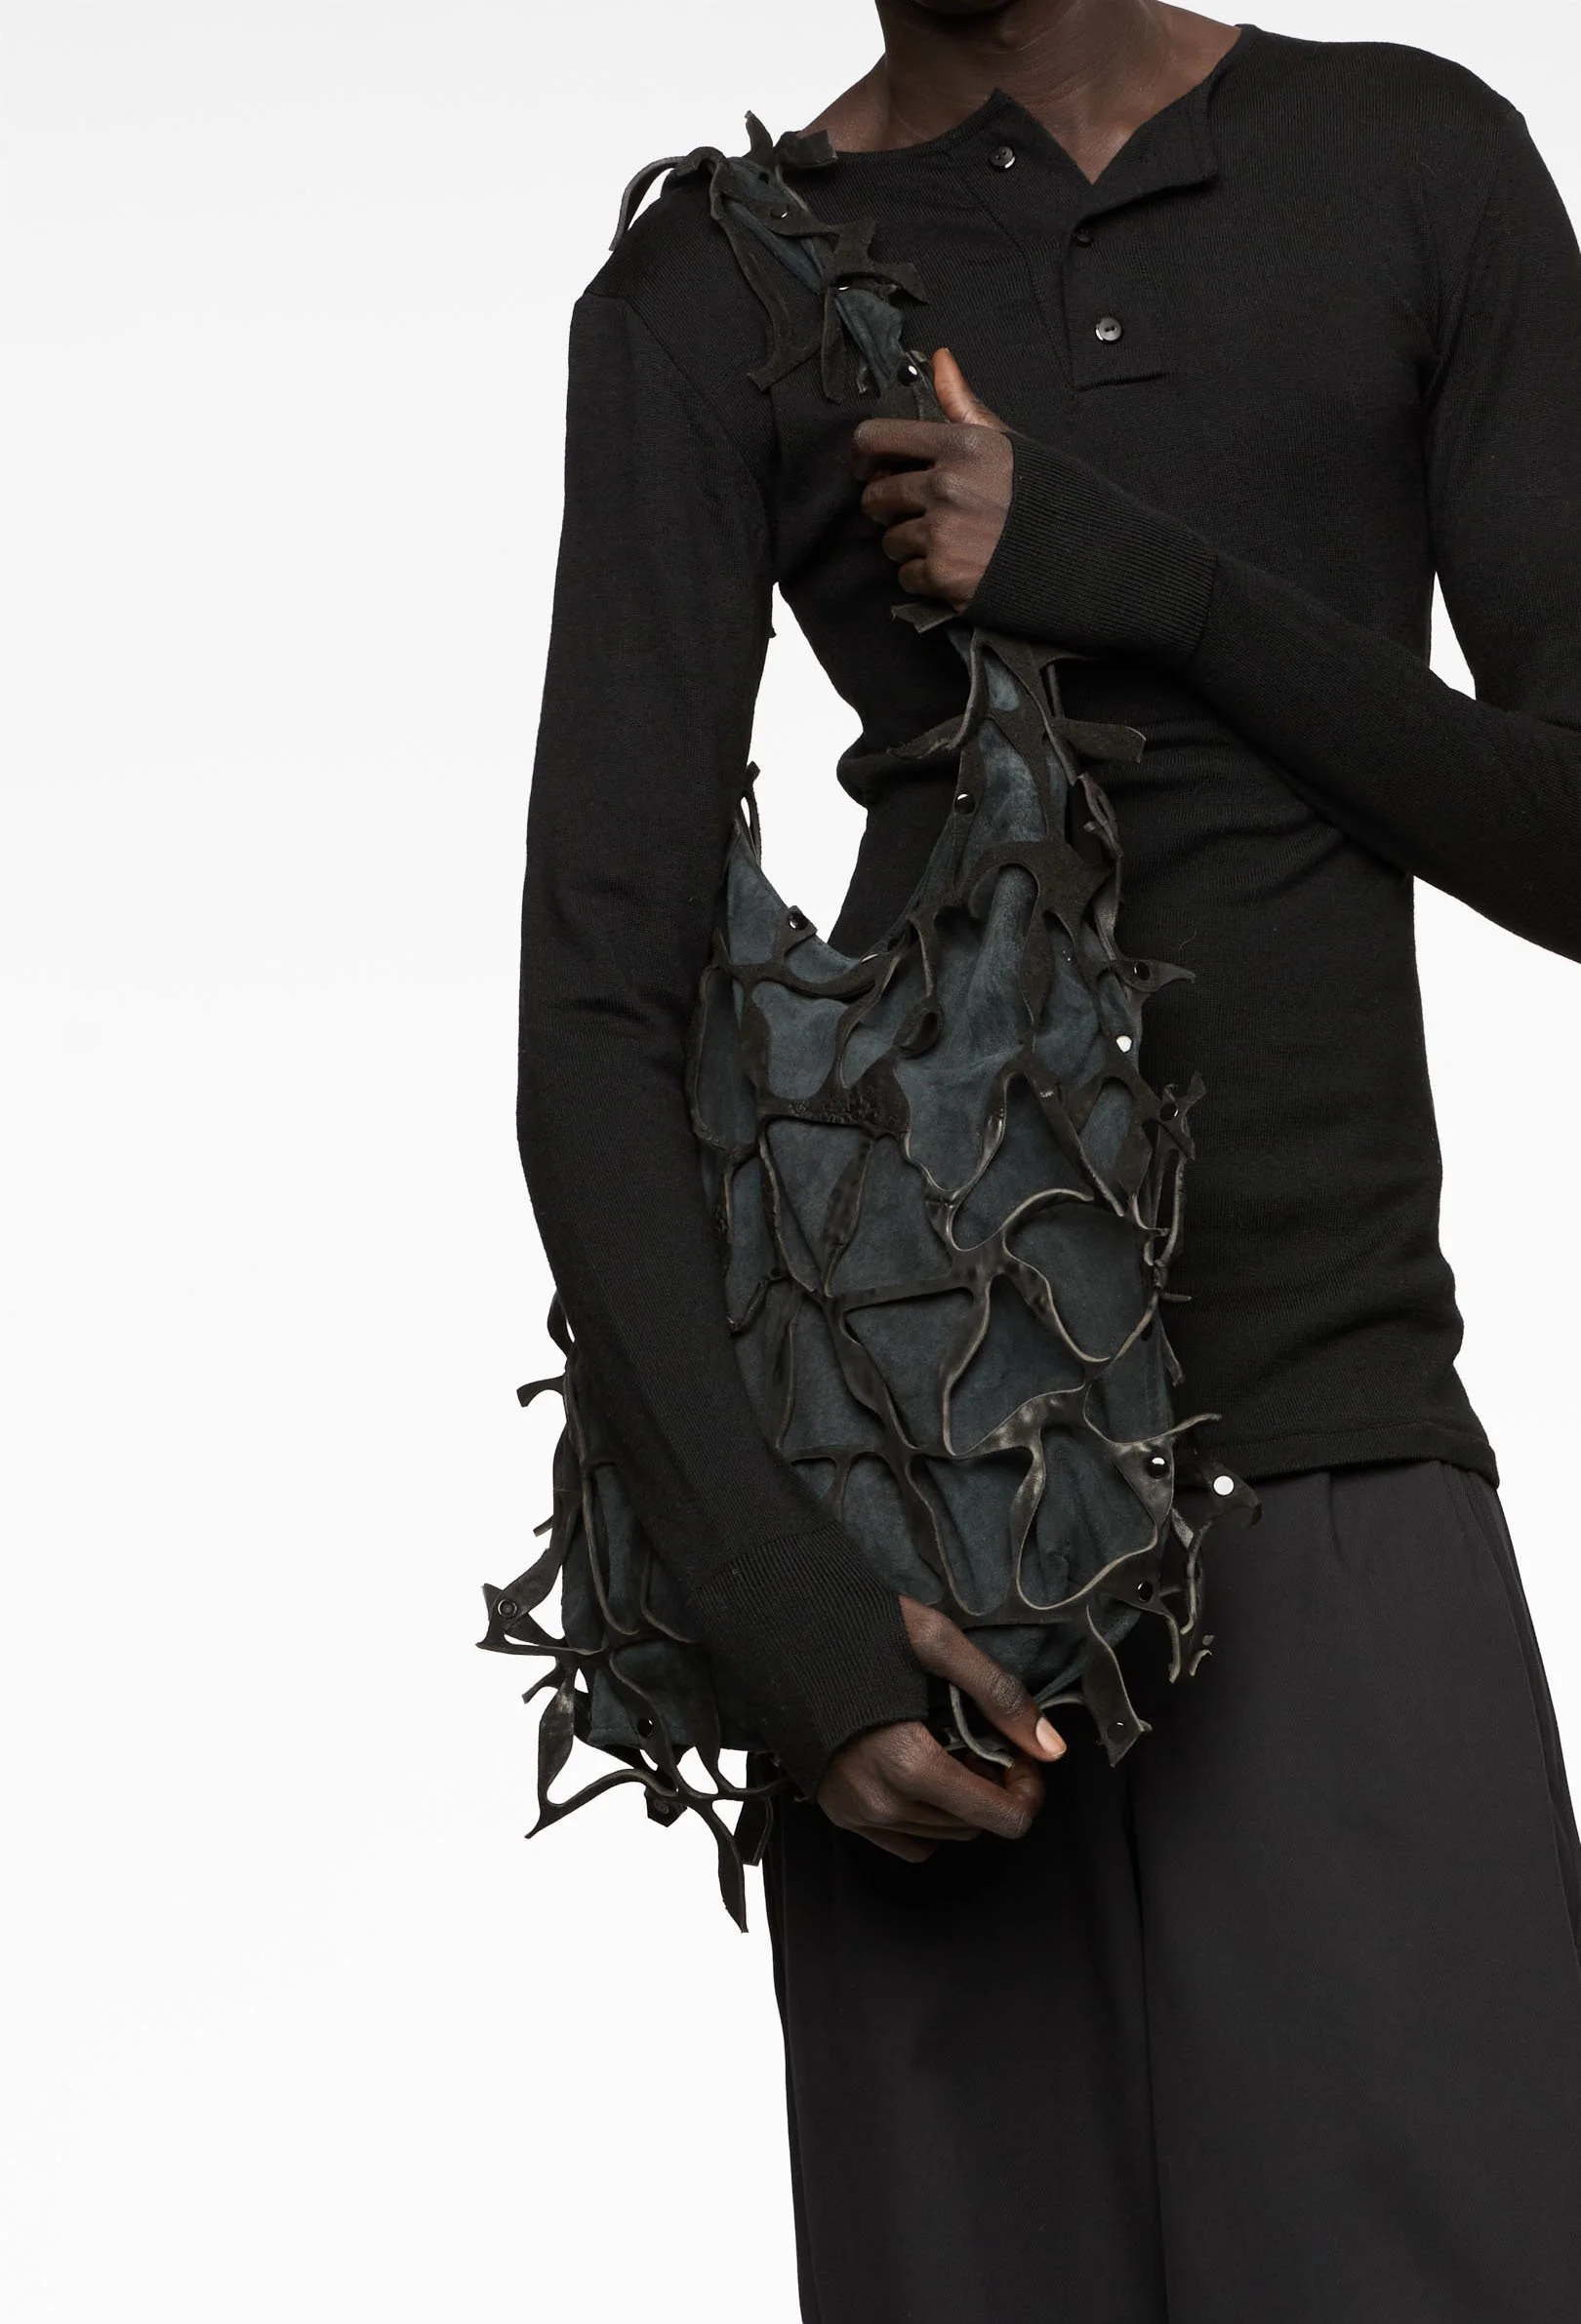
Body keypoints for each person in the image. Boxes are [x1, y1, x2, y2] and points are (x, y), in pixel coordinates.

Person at [517, 4, 1581, 2315]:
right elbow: (597, 1016)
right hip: (920, 1576)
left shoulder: (1407, 161)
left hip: (1341, 1469)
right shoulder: (713, 288)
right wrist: (792, 1624)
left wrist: (1140, 573)